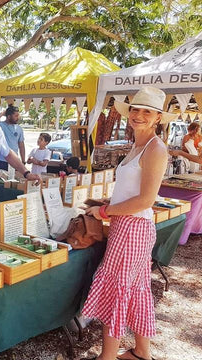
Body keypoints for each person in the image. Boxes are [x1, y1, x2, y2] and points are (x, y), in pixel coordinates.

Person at [81, 86, 177, 360]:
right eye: (135, 109)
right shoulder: (139, 144)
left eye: (147, 112)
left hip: (133, 227)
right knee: (134, 288)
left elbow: (146, 200)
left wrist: (105, 213)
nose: (138, 115)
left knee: (119, 289)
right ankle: (141, 352)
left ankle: (107, 356)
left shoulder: (155, 149)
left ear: (158, 118)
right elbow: (132, 192)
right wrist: (106, 203)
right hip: (129, 226)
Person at [0, 105, 25, 170]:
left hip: (14, 161)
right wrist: (3, 112)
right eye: (16, 116)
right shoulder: (0, 125)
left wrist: (23, 161)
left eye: (18, 115)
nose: (18, 118)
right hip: (1, 160)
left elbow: (21, 145)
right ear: (9, 117)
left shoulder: (19, 128)